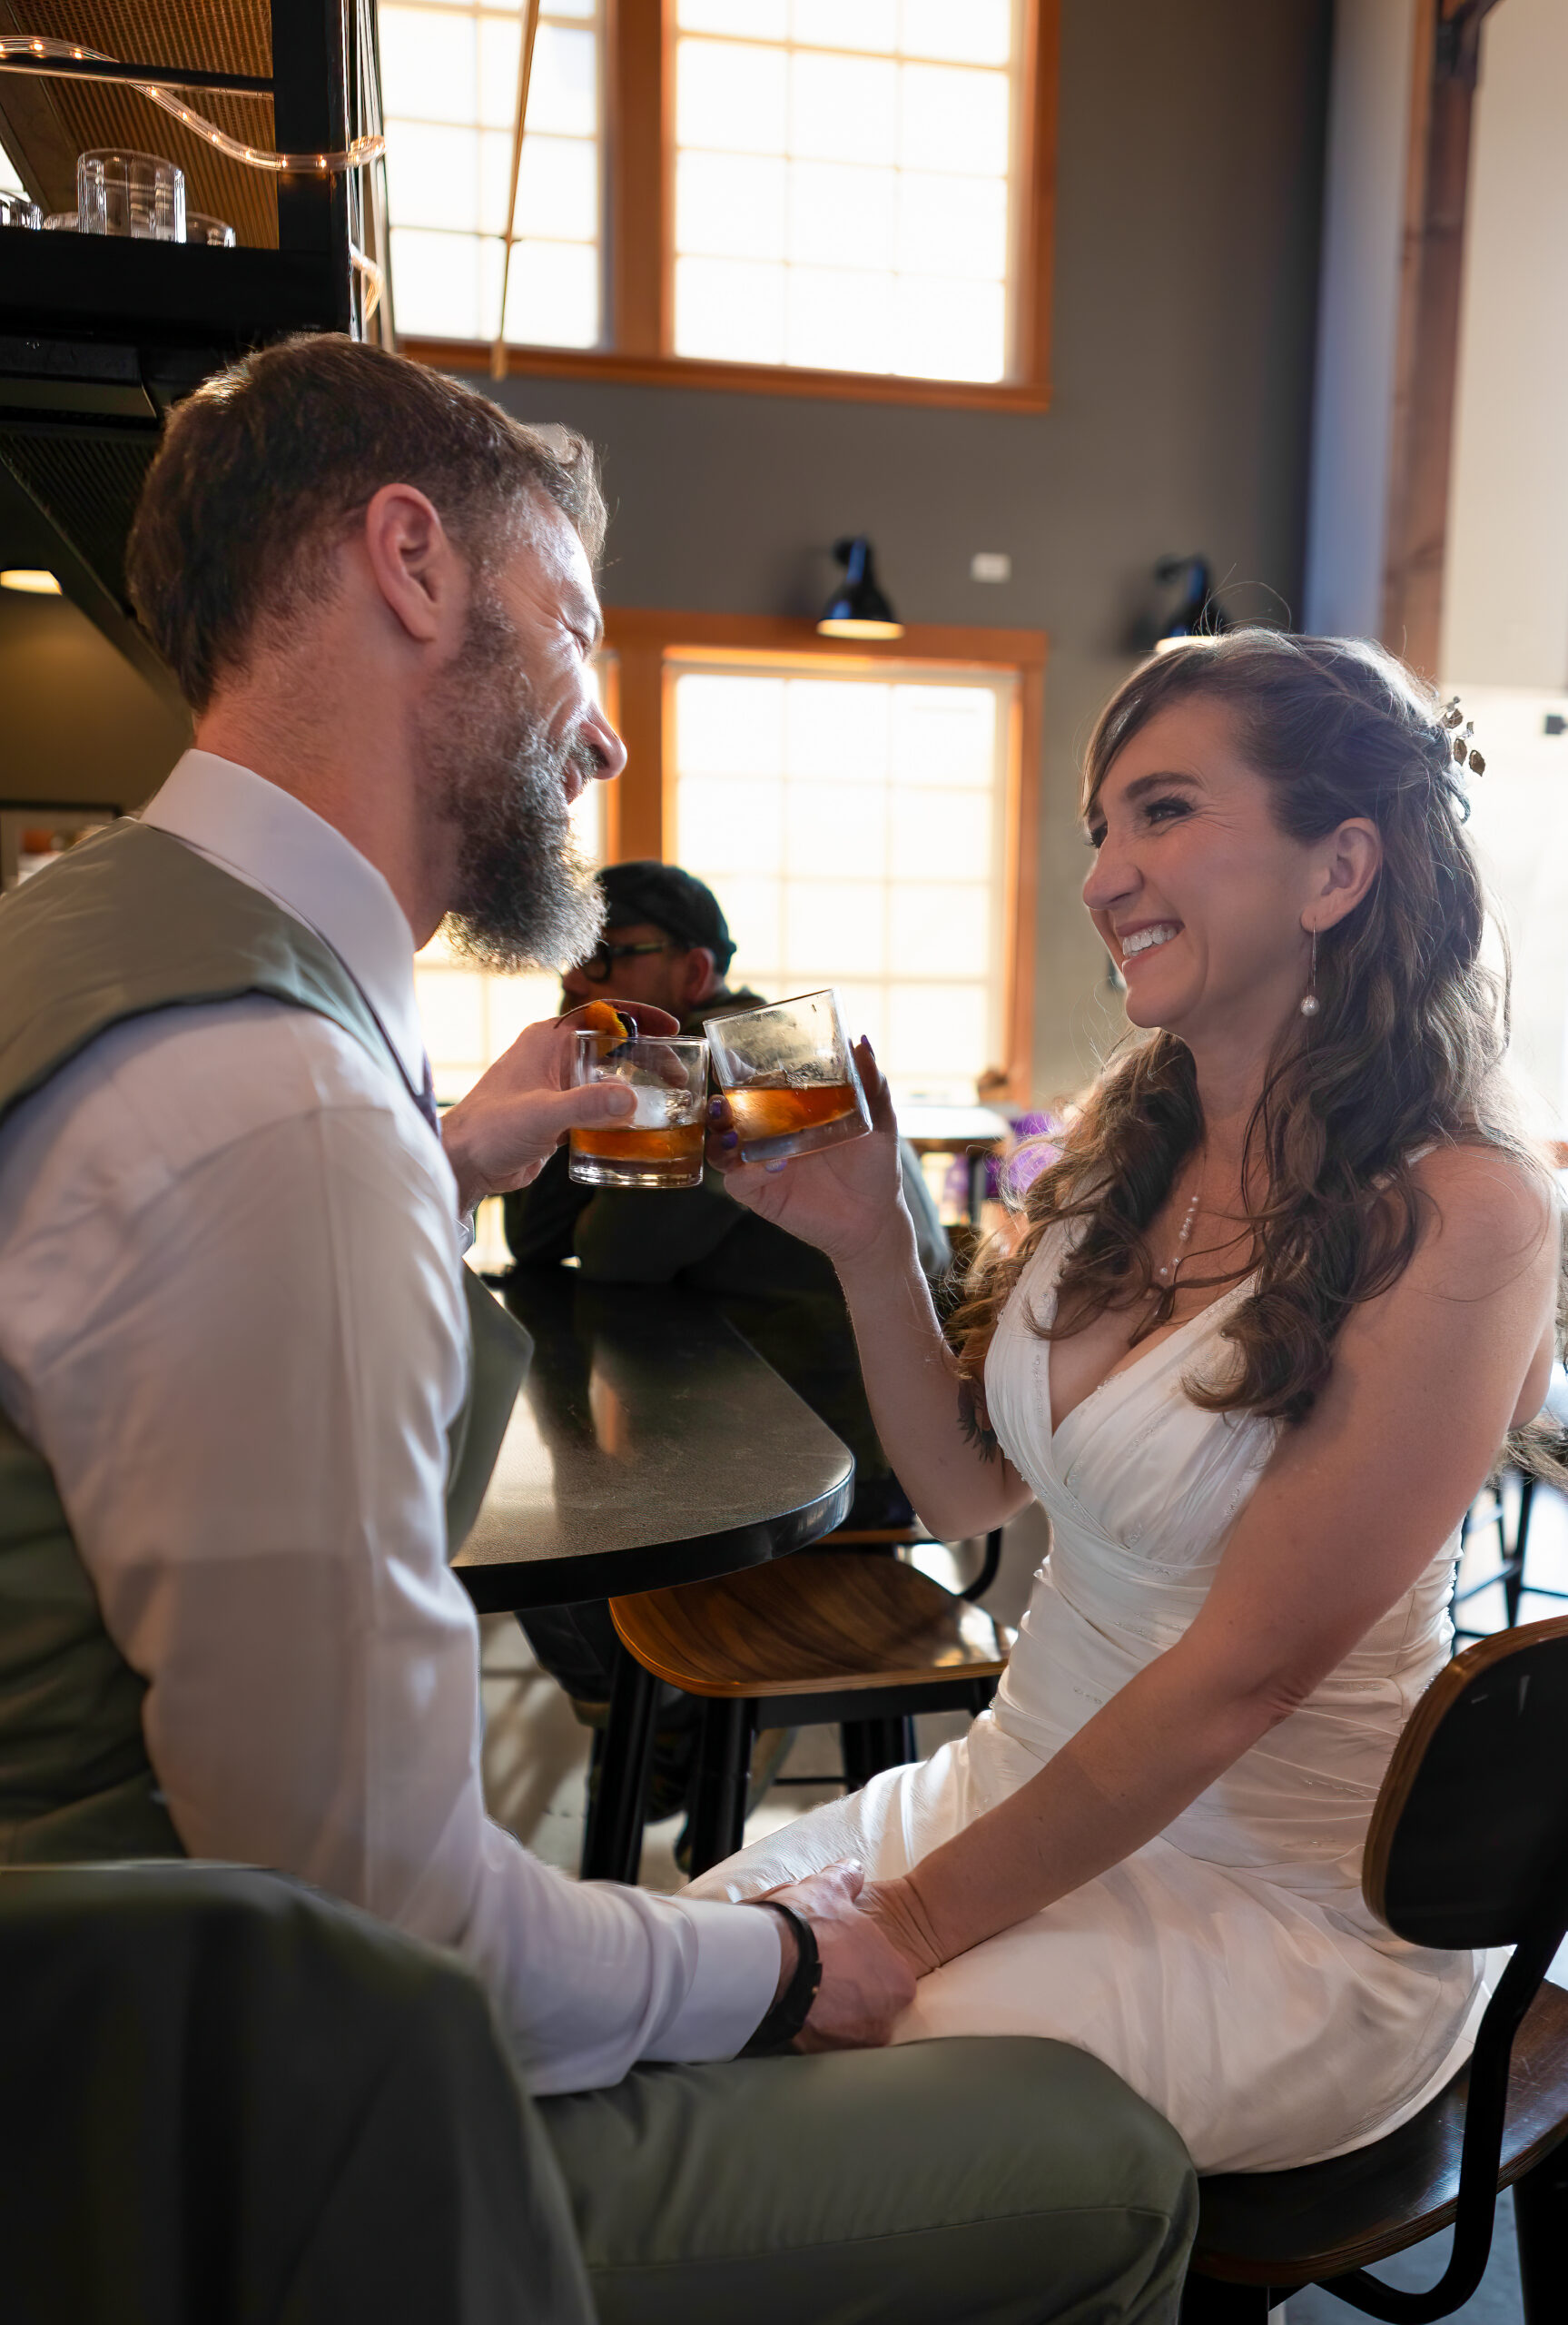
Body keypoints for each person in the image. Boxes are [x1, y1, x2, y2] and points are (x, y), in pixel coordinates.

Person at [0, 334, 1194, 2323]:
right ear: (412, 562)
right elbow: (385, 1923)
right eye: (574, 621)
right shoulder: (276, 1104)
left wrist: (448, 1152)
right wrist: (793, 1964)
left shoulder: (95, 940)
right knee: (1112, 2165)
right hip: (215, 2124)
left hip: (111, 1994)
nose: (606, 736)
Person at [691, 628, 1563, 2177]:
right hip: (1013, 1793)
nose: (1102, 877)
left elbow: (1249, 1680)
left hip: (1275, 1913)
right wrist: (870, 1246)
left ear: (1336, 869)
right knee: (655, 1988)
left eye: (1163, 811)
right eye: (1102, 827)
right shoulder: (1126, 1131)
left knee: (776, 2125)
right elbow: (967, 1501)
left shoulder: (1464, 1217)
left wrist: (891, 1933)